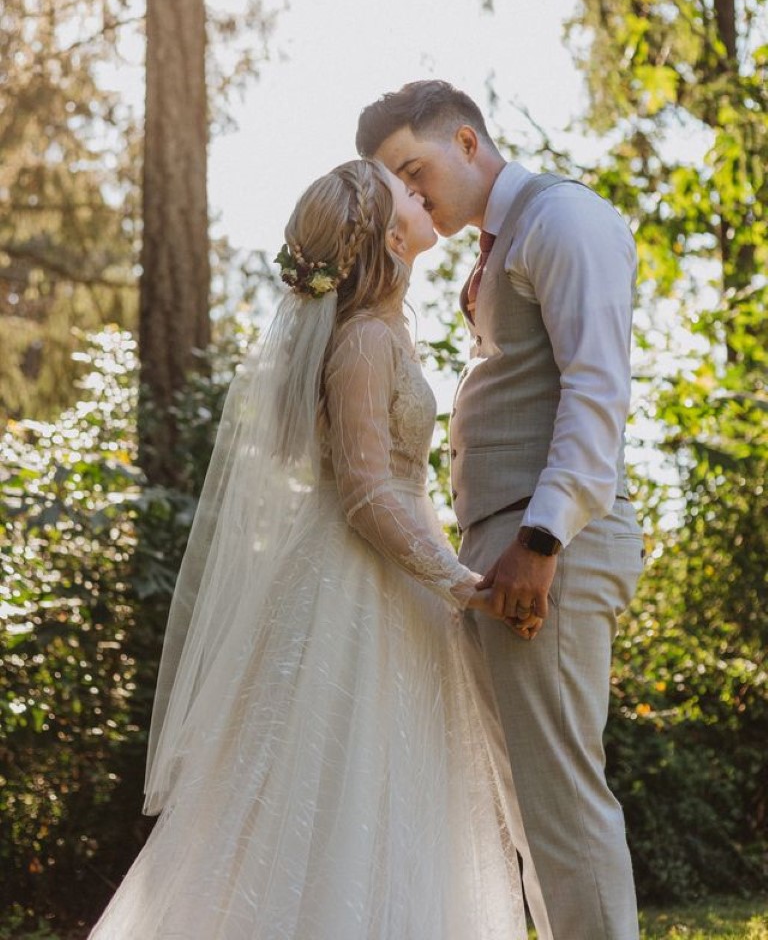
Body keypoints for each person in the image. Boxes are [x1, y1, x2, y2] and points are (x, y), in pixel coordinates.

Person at [87, 158, 529, 940]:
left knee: (396, 796)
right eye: (406, 195)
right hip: (354, 588)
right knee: (339, 792)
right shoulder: (361, 342)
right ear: (389, 236)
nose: (420, 194)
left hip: (397, 584)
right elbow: (363, 494)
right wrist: (461, 583)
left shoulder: (387, 331)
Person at [356, 82, 645, 940]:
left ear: (469, 142)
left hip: (548, 541)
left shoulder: (563, 219)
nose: (414, 197)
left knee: (560, 800)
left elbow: (597, 391)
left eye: (418, 170)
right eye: (397, 187)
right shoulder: (501, 242)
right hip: (507, 545)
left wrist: (542, 537)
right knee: (527, 802)